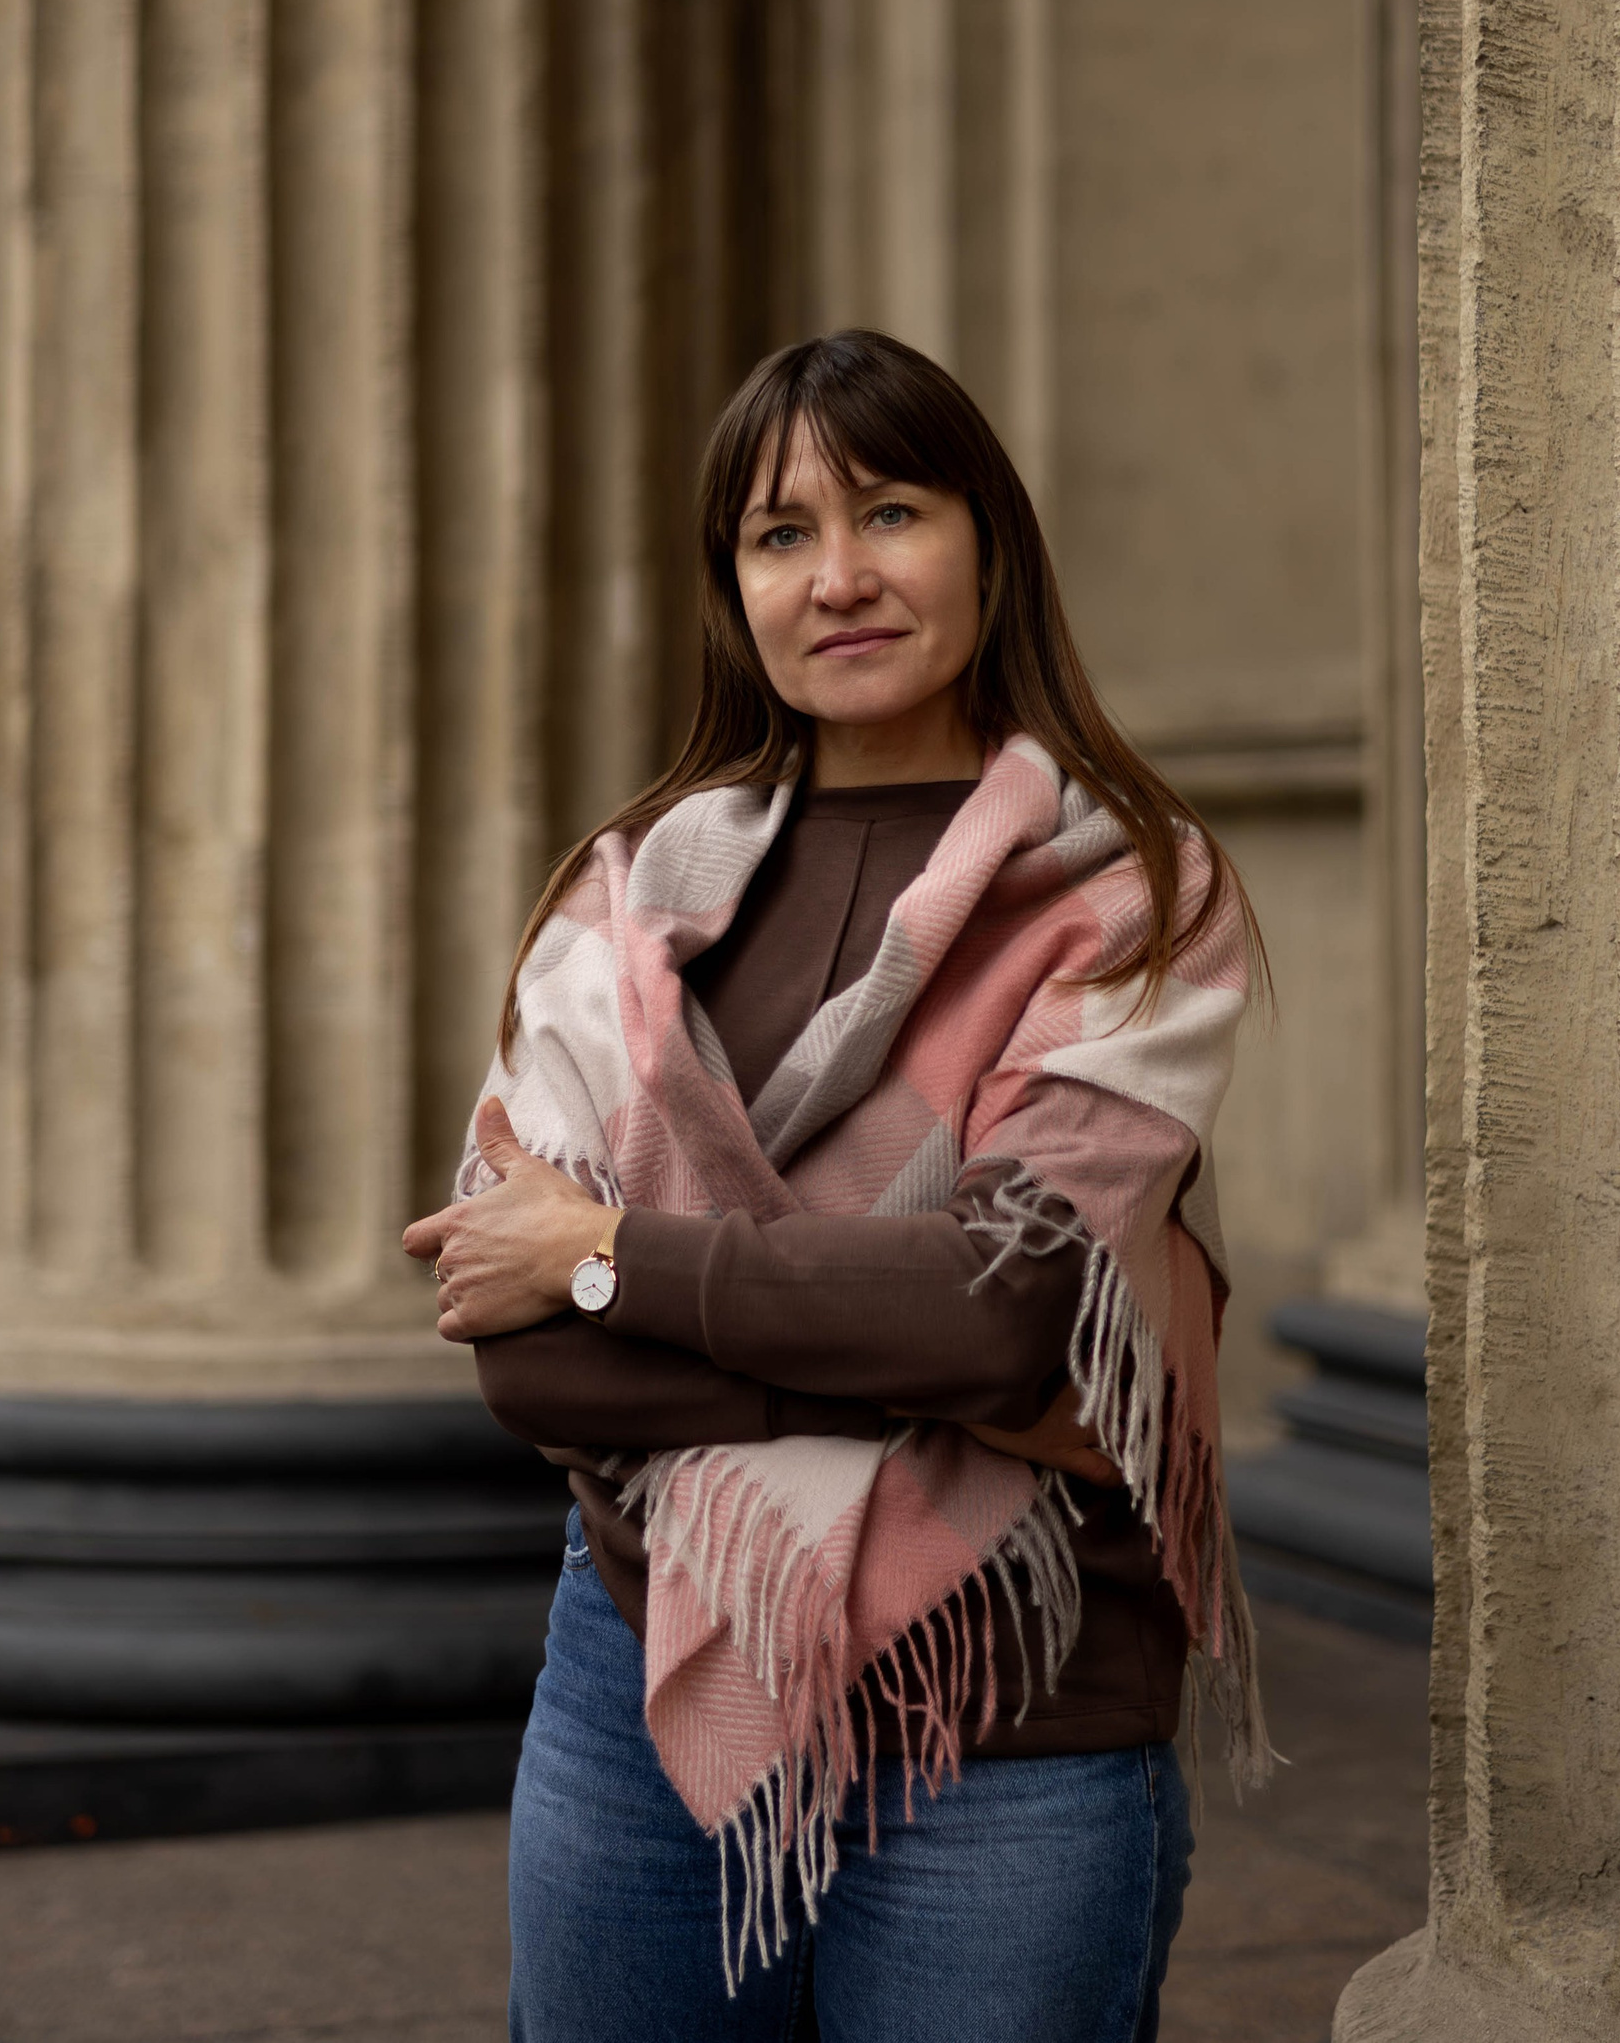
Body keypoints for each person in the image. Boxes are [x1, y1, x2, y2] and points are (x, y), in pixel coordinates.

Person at [403, 329, 1267, 2043]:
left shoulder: (1128, 896)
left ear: (988, 543)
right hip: (637, 1681)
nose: (842, 575)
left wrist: (608, 1257)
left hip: (1009, 1700)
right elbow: (523, 1349)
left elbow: (1010, 1316)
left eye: (891, 511)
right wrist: (919, 1345)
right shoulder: (631, 898)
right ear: (733, 588)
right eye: (781, 534)